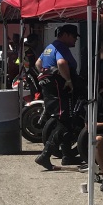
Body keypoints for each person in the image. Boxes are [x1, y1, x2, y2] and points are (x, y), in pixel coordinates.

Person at [34, 24, 81, 170]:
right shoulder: (61, 47)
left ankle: (67, 156)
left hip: (50, 89)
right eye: (74, 36)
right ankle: (45, 155)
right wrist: (68, 80)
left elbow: (38, 63)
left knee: (65, 120)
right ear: (66, 35)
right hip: (60, 89)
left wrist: (47, 74)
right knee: (65, 122)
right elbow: (61, 62)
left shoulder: (50, 47)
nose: (75, 40)